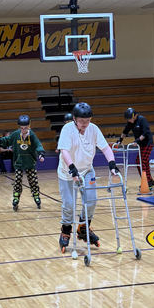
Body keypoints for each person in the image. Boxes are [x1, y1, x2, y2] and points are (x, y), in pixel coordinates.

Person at [56, 102, 119, 251]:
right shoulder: (67, 129)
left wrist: (112, 163)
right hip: (67, 173)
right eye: (82, 121)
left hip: (87, 170)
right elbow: (64, 151)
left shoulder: (94, 129)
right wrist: (72, 168)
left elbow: (105, 148)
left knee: (91, 200)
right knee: (69, 205)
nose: (85, 124)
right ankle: (65, 231)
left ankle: (83, 228)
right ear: (74, 119)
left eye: (88, 120)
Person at [0, 114, 45, 209]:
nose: (23, 130)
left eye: (25, 128)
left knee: (33, 181)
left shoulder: (32, 135)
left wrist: (41, 153)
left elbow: (38, 145)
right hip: (19, 162)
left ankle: (36, 195)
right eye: (22, 128)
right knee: (17, 180)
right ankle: (16, 197)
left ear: (29, 126)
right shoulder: (16, 134)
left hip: (30, 162)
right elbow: (7, 140)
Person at [120, 107, 154, 188]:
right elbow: (125, 131)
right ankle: (149, 180)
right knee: (145, 162)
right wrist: (119, 140)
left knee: (139, 161)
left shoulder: (142, 120)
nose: (129, 121)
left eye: (129, 119)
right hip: (141, 144)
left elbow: (145, 133)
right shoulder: (130, 122)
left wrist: (136, 141)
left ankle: (146, 181)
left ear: (134, 116)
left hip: (147, 143)